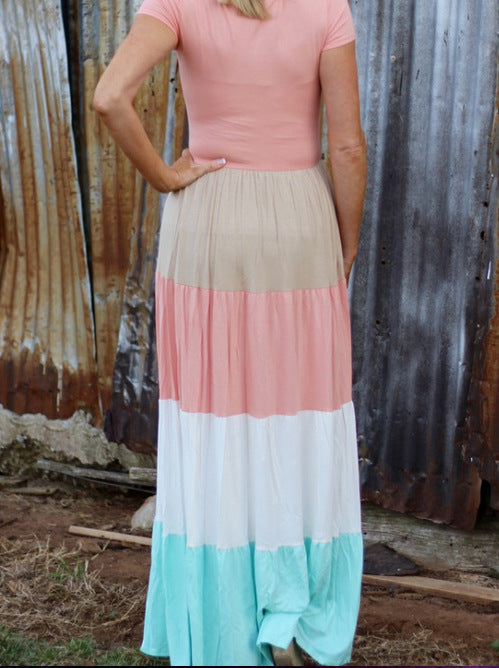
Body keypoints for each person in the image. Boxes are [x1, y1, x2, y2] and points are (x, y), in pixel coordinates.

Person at [93, 0, 367, 665]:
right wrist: (346, 244)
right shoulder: (325, 7)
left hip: (207, 219)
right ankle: (291, 606)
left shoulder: (176, 2)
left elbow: (109, 97)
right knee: (295, 418)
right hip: (297, 222)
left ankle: (223, 611)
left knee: (216, 420)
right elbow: (348, 145)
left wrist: (163, 177)